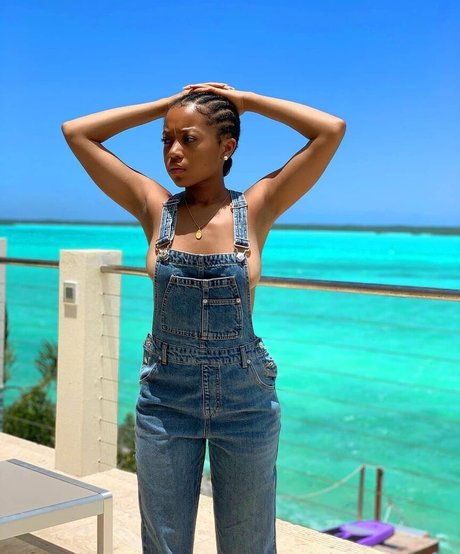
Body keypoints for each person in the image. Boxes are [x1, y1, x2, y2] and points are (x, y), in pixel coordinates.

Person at [61, 82, 346, 554]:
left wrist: (246, 101)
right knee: (165, 545)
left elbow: (330, 130)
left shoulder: (258, 206)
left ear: (226, 147)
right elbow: (77, 133)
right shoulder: (154, 206)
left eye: (188, 139)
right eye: (166, 140)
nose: (173, 152)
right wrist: (166, 105)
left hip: (245, 400)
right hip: (166, 399)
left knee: (248, 544)